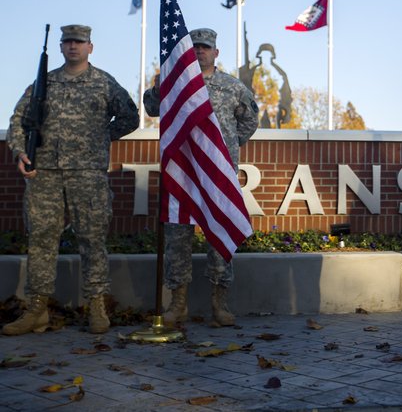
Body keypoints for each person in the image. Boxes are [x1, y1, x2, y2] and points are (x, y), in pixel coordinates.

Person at [4, 24, 139, 336]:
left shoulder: (104, 83)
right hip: (45, 174)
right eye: (68, 42)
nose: (73, 47)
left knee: (92, 239)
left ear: (90, 47)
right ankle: (37, 308)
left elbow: (129, 116)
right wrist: (20, 152)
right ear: (62, 48)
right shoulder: (44, 82)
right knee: (41, 240)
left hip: (88, 174)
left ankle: (96, 306)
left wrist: (101, 139)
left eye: (79, 42)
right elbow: (18, 119)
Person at [144, 28, 259, 326]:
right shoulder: (174, 84)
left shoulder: (231, 87)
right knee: (177, 236)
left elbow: (249, 120)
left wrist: (226, 149)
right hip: (182, 171)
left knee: (218, 232)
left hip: (217, 173)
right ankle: (178, 304)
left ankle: (219, 304)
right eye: (194, 47)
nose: (199, 52)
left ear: (216, 53)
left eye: (205, 47)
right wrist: (159, 87)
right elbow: (152, 108)